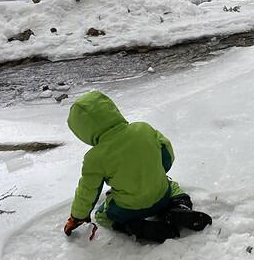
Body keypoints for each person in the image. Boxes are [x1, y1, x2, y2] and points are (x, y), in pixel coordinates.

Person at [63, 90, 212, 243]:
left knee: (102, 214)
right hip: (161, 195)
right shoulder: (143, 129)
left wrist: (77, 217)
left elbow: (88, 192)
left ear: (82, 131)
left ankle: (135, 227)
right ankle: (179, 207)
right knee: (173, 188)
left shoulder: (94, 158)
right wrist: (156, 172)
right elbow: (167, 154)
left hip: (129, 209)